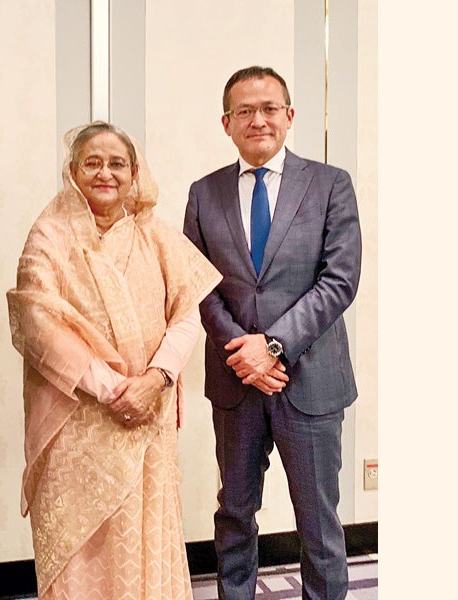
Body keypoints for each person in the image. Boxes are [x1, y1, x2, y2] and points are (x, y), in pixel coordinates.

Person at [7, 121, 222, 598]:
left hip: (148, 419)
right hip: (78, 423)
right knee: (80, 552)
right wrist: (113, 390)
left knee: (145, 541)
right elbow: (38, 324)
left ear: (134, 173)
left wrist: (156, 380)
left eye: (117, 163)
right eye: (93, 162)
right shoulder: (50, 235)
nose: (106, 173)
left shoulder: (158, 236)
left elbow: (188, 316)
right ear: (73, 171)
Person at [183, 66, 362, 600]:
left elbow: (339, 280)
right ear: (226, 122)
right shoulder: (203, 193)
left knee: (318, 522)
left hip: (309, 385)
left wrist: (273, 346)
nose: (257, 120)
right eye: (244, 111)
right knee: (234, 513)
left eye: (268, 108)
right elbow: (197, 284)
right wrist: (244, 352)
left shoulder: (331, 185)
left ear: (289, 116)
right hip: (237, 384)